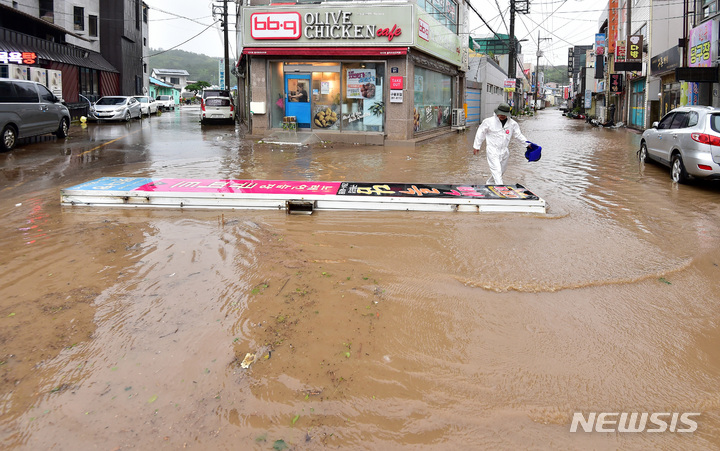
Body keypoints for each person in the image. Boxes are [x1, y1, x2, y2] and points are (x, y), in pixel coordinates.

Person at [472, 102, 532, 185]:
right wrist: (477, 146)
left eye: (504, 114)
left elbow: (518, 135)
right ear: (497, 112)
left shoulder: (512, 124)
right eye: (501, 114)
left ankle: (490, 183)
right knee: (497, 170)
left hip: (504, 151)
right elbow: (480, 133)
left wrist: (528, 144)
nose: (502, 116)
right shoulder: (488, 122)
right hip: (492, 150)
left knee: (501, 171)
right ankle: (501, 188)